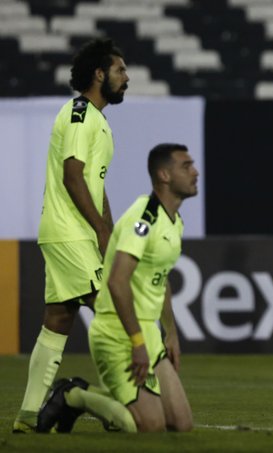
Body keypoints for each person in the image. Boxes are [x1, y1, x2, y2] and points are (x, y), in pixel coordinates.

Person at [37, 143, 197, 433]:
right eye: (186, 167)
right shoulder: (144, 219)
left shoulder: (174, 222)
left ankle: (114, 399)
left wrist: (170, 332)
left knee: (181, 424)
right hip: (117, 333)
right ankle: (73, 396)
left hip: (149, 333)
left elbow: (159, 278)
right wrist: (137, 343)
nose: (195, 173)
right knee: (148, 426)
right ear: (164, 175)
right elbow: (117, 281)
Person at [13, 38, 129, 433]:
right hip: (72, 233)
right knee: (115, 313)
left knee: (58, 320)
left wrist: (109, 230)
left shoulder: (98, 119)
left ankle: (29, 416)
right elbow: (72, 173)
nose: (126, 78)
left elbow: (95, 183)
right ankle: (116, 407)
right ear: (99, 74)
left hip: (66, 232)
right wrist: (98, 229)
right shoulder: (80, 112)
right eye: (120, 71)